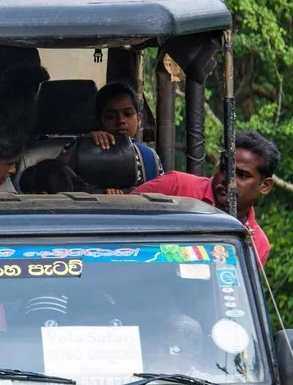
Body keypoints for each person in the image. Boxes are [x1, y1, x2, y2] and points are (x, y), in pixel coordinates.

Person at [130, 130, 279, 265]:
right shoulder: (177, 186)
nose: (228, 180)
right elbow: (119, 216)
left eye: (242, 175)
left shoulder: (258, 243)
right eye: (223, 169)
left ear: (265, 185)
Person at [86, 82, 163, 184]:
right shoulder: (83, 150)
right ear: (100, 121)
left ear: (138, 118)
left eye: (128, 114)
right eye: (111, 116)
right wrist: (86, 143)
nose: (121, 120)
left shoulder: (149, 157)